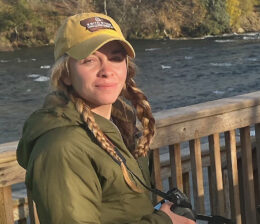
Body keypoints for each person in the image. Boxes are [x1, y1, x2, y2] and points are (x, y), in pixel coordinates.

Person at [17, 12, 196, 224]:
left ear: (126, 67)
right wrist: (163, 221)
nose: (107, 70)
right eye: (90, 60)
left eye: (116, 57)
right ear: (65, 74)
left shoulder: (120, 125)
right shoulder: (62, 147)